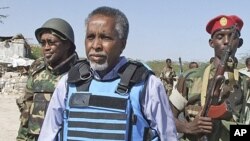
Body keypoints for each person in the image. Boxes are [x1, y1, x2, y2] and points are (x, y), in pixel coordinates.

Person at [38, 6, 177, 141]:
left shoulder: (147, 85)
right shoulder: (69, 83)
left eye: (105, 38)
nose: (96, 45)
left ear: (122, 44)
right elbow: (48, 135)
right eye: (90, 37)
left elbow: (168, 136)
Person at [169, 15, 244, 141]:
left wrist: (226, 128)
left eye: (232, 36)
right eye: (220, 37)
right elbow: (165, 116)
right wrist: (188, 127)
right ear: (211, 43)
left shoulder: (245, 82)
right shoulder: (191, 78)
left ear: (240, 43)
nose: (226, 41)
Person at [16, 18, 78, 141]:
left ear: (67, 45)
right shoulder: (36, 69)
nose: (46, 47)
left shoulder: (80, 73)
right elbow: (26, 114)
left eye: (51, 42)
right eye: (43, 43)